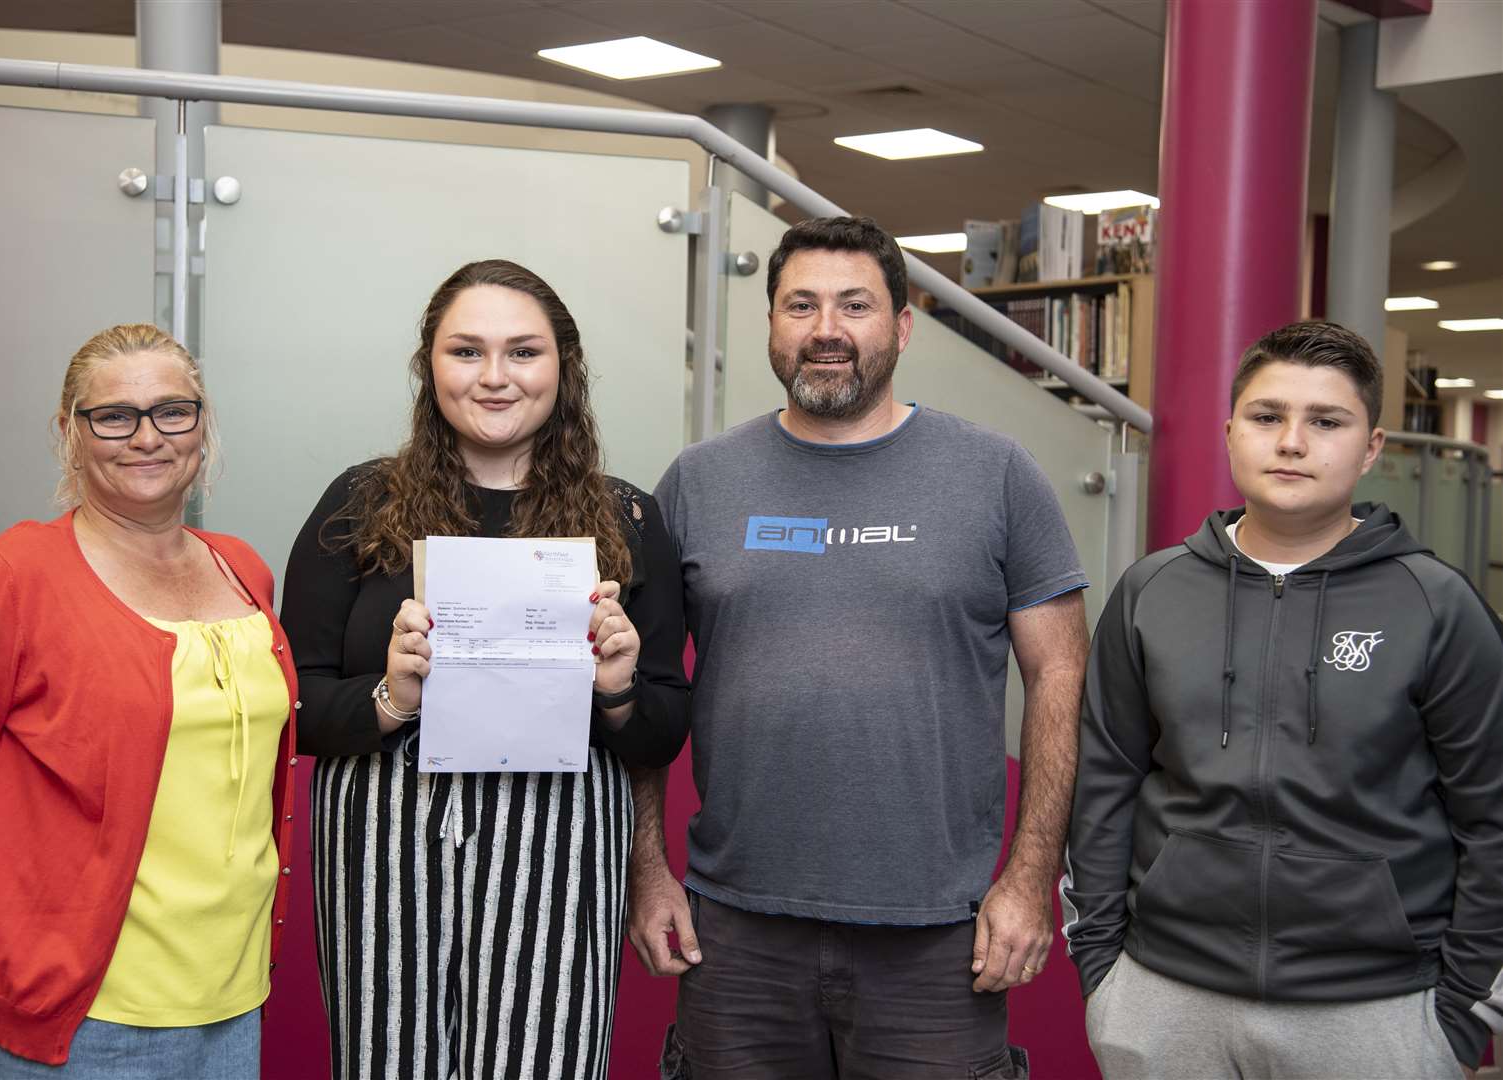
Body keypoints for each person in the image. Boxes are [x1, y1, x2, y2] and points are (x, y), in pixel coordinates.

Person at [630, 216, 1091, 1079]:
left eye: (855, 305)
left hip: (939, 934)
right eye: (800, 305)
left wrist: (1031, 879)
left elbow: (1061, 673)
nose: (826, 330)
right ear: (771, 325)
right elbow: (644, 690)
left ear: (903, 326)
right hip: (735, 931)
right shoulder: (699, 480)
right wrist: (647, 870)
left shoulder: (996, 474)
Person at [282, 258, 690, 1080]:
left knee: (544, 1061)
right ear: (428, 366)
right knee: (383, 1060)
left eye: (523, 352)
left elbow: (663, 728)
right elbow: (298, 704)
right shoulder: (359, 504)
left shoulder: (629, 517)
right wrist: (390, 698)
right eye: (466, 352)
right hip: (383, 839)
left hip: (564, 838)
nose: (495, 377)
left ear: (563, 369)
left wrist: (615, 691)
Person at [1064, 321, 1503, 1079]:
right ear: (1232, 432)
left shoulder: (1437, 606)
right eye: (1267, 418)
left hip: (1377, 1011)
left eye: (1326, 422)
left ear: (1371, 447)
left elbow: (1493, 820)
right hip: (1165, 997)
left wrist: (1460, 1017)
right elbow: (1104, 787)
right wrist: (1105, 976)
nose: (1292, 442)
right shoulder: (1151, 592)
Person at [0, 324, 299, 1077]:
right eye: (114, 416)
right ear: (70, 434)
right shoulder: (11, 577)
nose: (147, 436)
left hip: (231, 1003)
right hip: (74, 1021)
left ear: (203, 423)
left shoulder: (241, 569)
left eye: (173, 410)